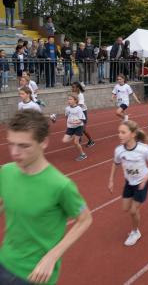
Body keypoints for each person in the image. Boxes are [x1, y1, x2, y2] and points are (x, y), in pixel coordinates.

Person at [0, 109, 92, 284]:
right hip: (4, 263)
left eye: (24, 145)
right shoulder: (5, 172)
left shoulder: (61, 185)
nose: (15, 153)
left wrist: (53, 255)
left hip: (36, 275)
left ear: (43, 143)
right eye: (11, 144)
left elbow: (85, 219)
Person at [108, 120, 148, 246]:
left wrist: (146, 178)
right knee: (125, 208)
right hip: (129, 182)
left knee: (132, 211)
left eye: (123, 132)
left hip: (142, 182)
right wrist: (111, 180)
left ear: (133, 134)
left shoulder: (144, 149)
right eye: (119, 132)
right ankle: (135, 212)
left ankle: (135, 232)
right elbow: (115, 163)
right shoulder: (119, 150)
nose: (119, 135)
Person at [62, 94, 87, 161]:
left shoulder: (79, 109)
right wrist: (68, 122)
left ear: (75, 100)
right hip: (70, 127)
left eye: (70, 99)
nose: (68, 101)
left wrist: (76, 122)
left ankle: (83, 154)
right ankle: (74, 135)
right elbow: (66, 116)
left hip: (78, 127)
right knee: (64, 140)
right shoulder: (67, 108)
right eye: (68, 99)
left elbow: (81, 119)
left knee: (76, 142)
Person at [71, 82, 95, 147]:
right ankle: (79, 138)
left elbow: (80, 104)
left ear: (77, 88)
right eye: (72, 87)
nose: (72, 88)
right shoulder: (74, 94)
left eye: (73, 87)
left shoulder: (80, 95)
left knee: (83, 129)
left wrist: (73, 106)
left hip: (83, 113)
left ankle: (91, 141)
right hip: (78, 113)